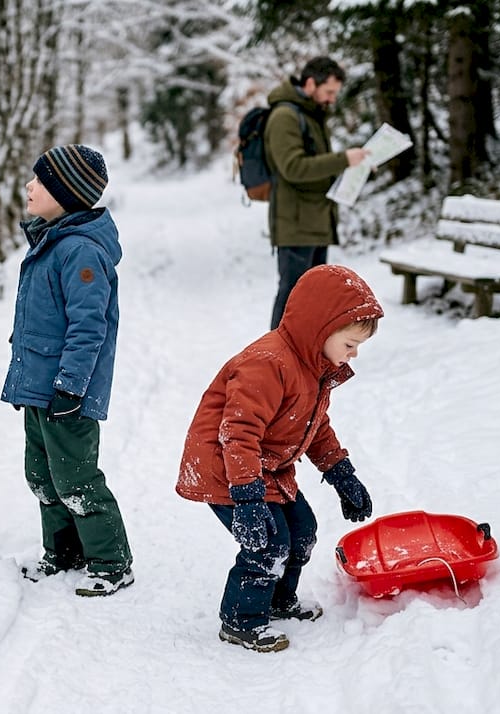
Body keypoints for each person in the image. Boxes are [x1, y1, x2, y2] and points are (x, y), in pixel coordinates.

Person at [175, 264, 382, 651]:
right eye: (350, 343)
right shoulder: (269, 363)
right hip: (227, 467)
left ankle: (278, 599)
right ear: (321, 328)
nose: (354, 354)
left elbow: (315, 427)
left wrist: (342, 475)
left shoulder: (315, 366)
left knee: (302, 531)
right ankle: (241, 620)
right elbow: (237, 434)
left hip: (266, 466)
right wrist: (249, 500)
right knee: (269, 543)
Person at [1, 144, 134, 597]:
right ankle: (63, 552)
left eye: (39, 181)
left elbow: (88, 326)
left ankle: (112, 561)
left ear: (65, 193)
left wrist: (71, 385)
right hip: (39, 388)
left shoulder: (78, 251)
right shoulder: (50, 241)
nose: (29, 186)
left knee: (76, 478)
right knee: (41, 475)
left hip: (67, 393)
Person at [265, 56, 370, 329]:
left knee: (311, 299)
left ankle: (301, 362)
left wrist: (355, 168)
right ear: (311, 83)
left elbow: (317, 168)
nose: (333, 99)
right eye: (329, 92)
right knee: (292, 298)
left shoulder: (312, 115)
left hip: (316, 219)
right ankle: (273, 363)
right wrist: (343, 160)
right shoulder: (284, 116)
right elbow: (293, 167)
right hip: (295, 223)